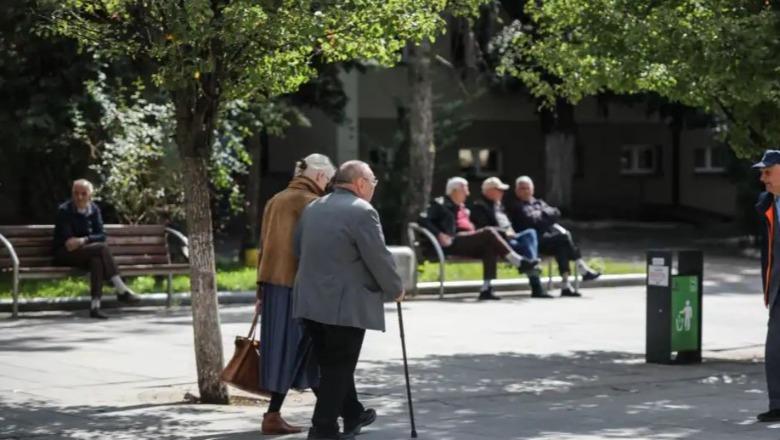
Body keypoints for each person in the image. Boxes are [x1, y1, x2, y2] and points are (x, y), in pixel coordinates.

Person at [292, 160, 404, 440]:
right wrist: (395, 288)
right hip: (345, 304)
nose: (374, 188)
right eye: (373, 182)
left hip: (311, 301)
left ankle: (352, 414)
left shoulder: (314, 207)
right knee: (338, 368)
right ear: (360, 183)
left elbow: (297, 247)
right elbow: (377, 256)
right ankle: (323, 429)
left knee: (333, 365)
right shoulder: (362, 211)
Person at [255, 154, 335, 434]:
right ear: (320, 176)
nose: (327, 185)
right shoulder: (313, 203)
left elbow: (264, 246)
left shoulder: (275, 200)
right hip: (300, 286)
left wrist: (259, 290)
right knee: (304, 349)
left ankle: (341, 411)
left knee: (292, 351)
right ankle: (339, 412)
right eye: (327, 180)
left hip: (272, 285)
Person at [419, 177, 538, 301]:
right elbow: (422, 219)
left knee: (489, 246)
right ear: (455, 191)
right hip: (450, 241)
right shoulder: (440, 204)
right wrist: (439, 234)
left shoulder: (462, 208)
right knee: (488, 232)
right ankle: (518, 261)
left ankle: (487, 288)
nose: (468, 193)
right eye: (465, 190)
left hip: (465, 241)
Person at [53, 179, 139, 319]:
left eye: (83, 193)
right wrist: (86, 240)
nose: (79, 197)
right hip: (64, 254)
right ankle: (120, 288)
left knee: (97, 260)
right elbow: (69, 243)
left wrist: (83, 240)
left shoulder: (94, 210)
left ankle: (95, 307)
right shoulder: (64, 210)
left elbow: (101, 235)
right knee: (101, 248)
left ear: (90, 195)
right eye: (76, 193)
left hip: (87, 252)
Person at [505, 176, 600, 297]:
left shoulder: (538, 202)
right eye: (522, 188)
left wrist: (542, 215)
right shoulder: (515, 205)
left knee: (562, 246)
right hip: (530, 243)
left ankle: (566, 285)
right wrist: (545, 216)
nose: (525, 191)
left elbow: (556, 212)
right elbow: (532, 221)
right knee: (564, 238)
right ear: (516, 190)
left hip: (546, 240)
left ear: (532, 190)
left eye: (527, 188)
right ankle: (582, 268)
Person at [470, 177, 550, 298]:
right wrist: (505, 233)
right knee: (526, 246)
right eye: (499, 190)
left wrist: (511, 233)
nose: (502, 193)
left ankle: (530, 265)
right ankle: (535, 284)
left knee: (530, 233)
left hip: (512, 237)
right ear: (489, 191)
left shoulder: (499, 206)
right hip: (499, 242)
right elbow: (485, 230)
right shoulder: (479, 207)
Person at [753, 150, 780, 422]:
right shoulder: (766, 203)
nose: (763, 178)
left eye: (768, 172)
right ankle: (777, 405)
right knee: (775, 348)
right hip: (778, 288)